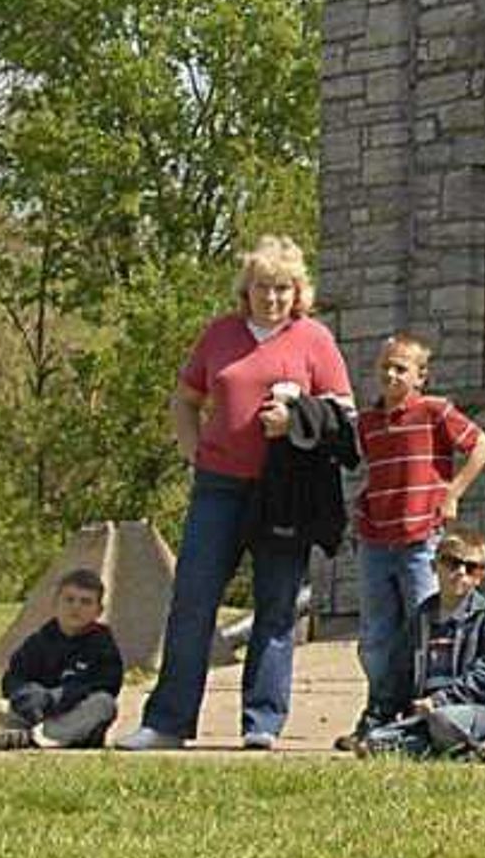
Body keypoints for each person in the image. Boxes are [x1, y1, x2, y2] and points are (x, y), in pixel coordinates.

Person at [119, 235, 356, 752]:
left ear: (298, 293)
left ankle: (262, 722)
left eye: (282, 289)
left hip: (283, 491)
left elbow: (345, 418)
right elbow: (185, 399)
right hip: (219, 487)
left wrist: (294, 419)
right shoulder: (219, 335)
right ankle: (167, 722)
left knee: (275, 606)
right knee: (193, 600)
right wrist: (194, 450)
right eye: (261, 288)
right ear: (245, 291)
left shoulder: (314, 339)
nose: (272, 298)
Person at [338, 333, 485, 752]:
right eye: (385, 366)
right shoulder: (367, 423)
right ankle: (379, 714)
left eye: (401, 368)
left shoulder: (434, 411)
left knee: (423, 632)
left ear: (420, 376)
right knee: (376, 636)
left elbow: (481, 445)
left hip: (421, 538)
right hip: (375, 539)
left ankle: (419, 718)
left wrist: (453, 492)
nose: (391, 374)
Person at [361, 526, 485, 761]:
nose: (461, 572)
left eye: (471, 567)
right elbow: (397, 676)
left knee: (442, 720)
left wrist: (439, 701)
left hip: (479, 713)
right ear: (435, 566)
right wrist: (375, 722)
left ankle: (483, 745)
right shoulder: (420, 619)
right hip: (425, 714)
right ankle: (479, 752)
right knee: (376, 743)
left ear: (480, 576)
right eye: (452, 563)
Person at [0, 568, 124, 750]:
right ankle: (31, 735)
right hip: (38, 710)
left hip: (76, 714)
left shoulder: (102, 645)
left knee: (105, 704)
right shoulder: (39, 641)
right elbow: (13, 678)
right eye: (69, 600)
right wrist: (30, 695)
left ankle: (33, 737)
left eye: (85, 602)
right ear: (55, 604)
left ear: (98, 611)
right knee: (2, 707)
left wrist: (59, 697)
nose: (75, 607)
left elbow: (108, 684)